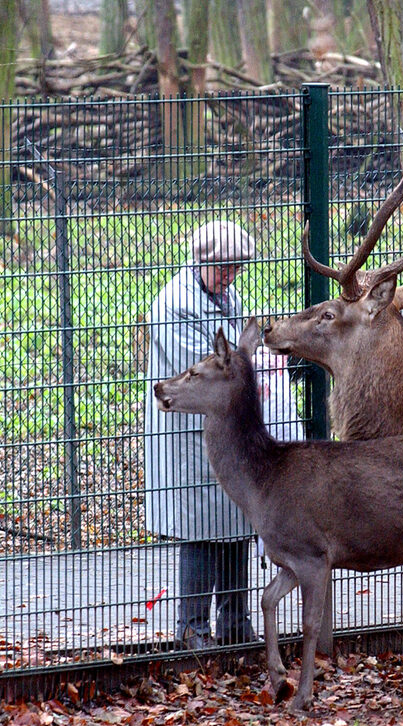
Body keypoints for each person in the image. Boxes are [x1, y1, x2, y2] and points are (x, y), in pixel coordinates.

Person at [143, 219, 262, 649]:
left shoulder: (227, 294)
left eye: (236, 270)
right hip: (190, 429)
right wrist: (249, 365)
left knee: (235, 519)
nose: (230, 278)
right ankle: (191, 627)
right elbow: (209, 368)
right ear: (203, 261)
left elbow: (239, 352)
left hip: (227, 432)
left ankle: (234, 622)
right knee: (200, 526)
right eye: (224, 269)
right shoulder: (174, 303)